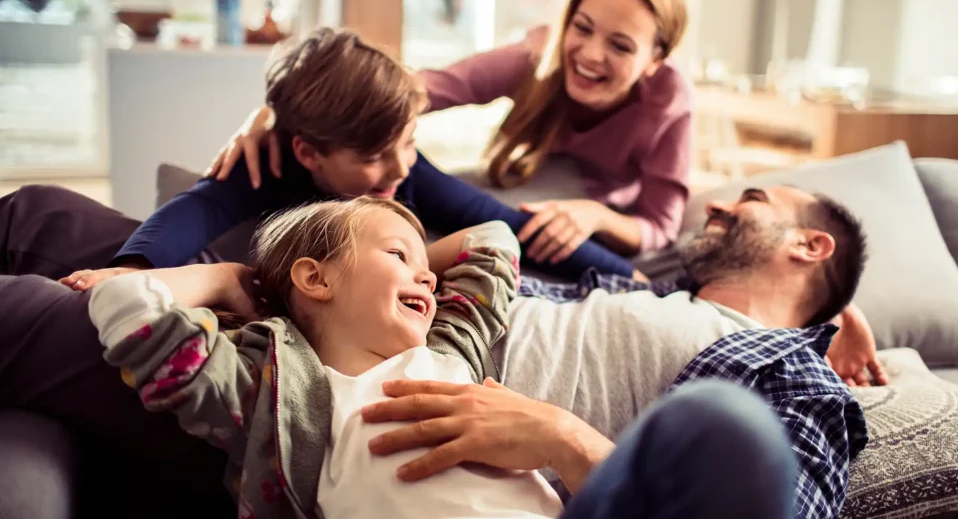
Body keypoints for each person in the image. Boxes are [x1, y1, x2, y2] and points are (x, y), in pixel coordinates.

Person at [85, 197, 797, 519]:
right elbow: (129, 312)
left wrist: (398, 260)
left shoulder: (451, 350)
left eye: (425, 262)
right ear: (315, 279)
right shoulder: (273, 384)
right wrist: (229, 279)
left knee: (726, 422)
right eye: (400, 256)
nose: (428, 275)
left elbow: (493, 242)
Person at [358, 184, 884, 518]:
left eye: (752, 198)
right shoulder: (634, 290)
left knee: (728, 421)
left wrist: (563, 438)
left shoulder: (798, 377)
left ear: (810, 246)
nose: (716, 204)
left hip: (466, 492)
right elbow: (437, 188)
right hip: (358, 362)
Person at [63, 25, 639, 293]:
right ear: (308, 152)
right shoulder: (269, 168)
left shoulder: (407, 173)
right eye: (372, 157)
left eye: (409, 141)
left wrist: (629, 276)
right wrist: (134, 270)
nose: (398, 168)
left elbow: (506, 221)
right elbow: (197, 209)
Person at [209, 0, 693, 265]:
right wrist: (277, 113)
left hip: (593, 206)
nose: (589, 53)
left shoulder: (669, 102)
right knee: (428, 197)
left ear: (655, 59)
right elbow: (412, 91)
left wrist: (596, 217)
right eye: (582, 28)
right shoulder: (537, 56)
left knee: (455, 228)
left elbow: (661, 225)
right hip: (529, 178)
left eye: (620, 45)